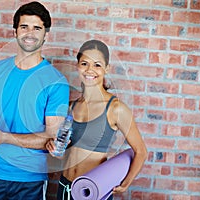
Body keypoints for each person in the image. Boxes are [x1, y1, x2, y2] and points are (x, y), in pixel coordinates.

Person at [0, 1, 69, 199]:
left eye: (37, 28)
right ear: (15, 32)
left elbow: (50, 137)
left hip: (30, 179)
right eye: (24, 26)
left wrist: (2, 137)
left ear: (46, 34)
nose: (30, 33)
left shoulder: (55, 81)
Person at [46, 40, 148, 200]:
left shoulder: (115, 108)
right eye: (84, 63)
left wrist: (126, 182)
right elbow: (69, 152)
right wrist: (56, 150)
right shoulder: (72, 107)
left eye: (97, 65)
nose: (90, 70)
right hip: (65, 187)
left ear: (107, 68)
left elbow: (141, 151)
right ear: (77, 66)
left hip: (91, 192)